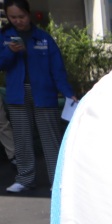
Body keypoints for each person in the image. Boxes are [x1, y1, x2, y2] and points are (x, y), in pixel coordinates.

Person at [0, 0, 76, 193]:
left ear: (29, 14)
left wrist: (68, 92)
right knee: (22, 139)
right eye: (13, 17)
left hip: (44, 93)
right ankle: (25, 179)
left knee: (50, 138)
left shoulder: (43, 38)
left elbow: (57, 69)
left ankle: (57, 181)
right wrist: (10, 51)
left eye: (21, 16)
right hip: (17, 94)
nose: (18, 21)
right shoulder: (4, 37)